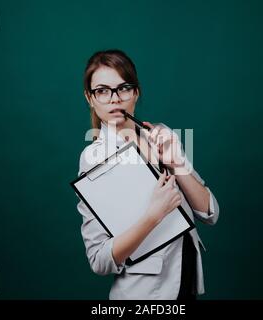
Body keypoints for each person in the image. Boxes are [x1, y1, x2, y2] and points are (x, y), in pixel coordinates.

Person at [76, 49, 220, 300]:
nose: (114, 99)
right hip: (145, 295)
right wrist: (154, 215)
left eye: (123, 88)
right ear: (90, 98)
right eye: (102, 91)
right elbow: (99, 259)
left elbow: (210, 213)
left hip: (185, 282)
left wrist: (176, 163)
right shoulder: (94, 159)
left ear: (136, 92)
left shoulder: (161, 134)